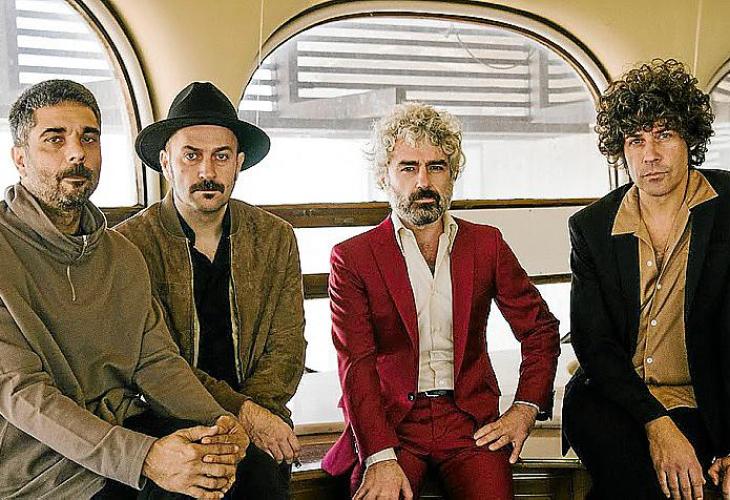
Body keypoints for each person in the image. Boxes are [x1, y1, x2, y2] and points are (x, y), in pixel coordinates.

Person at [0, 79, 249, 500]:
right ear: (20, 158)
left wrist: (220, 423)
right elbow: (23, 394)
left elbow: (155, 361)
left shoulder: (121, 254)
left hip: (125, 428)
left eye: (89, 137)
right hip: (40, 468)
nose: (77, 152)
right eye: (55, 139)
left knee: (243, 469)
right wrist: (144, 458)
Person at [321, 102, 560, 499]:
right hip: (392, 423)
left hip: (469, 422)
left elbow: (539, 330)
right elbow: (356, 364)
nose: (423, 182)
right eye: (408, 168)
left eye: (436, 167)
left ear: (453, 175)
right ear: (384, 176)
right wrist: (378, 454)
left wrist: (525, 408)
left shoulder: (486, 245)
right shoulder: (353, 257)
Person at [115, 81, 306, 499]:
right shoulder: (130, 245)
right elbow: (154, 363)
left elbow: (287, 346)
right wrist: (238, 416)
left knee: (261, 477)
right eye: (191, 155)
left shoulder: (274, 238)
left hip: (261, 411)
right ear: (165, 162)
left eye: (221, 156)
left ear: (238, 163)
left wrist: (256, 414)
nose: (207, 171)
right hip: (162, 418)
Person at [563, 59, 730, 499]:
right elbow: (594, 344)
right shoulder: (592, 227)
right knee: (647, 481)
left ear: (690, 138)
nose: (649, 155)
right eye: (635, 140)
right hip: (611, 395)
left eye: (664, 135)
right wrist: (657, 424)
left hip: (704, 398)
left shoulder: (728, 206)